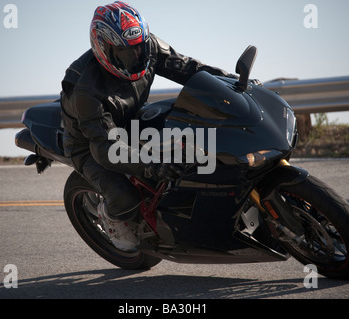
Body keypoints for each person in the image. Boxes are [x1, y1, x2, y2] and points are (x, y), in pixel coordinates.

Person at [60, 1, 237, 252]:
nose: (135, 57)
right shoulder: (86, 90)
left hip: (131, 119)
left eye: (138, 49)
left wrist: (232, 82)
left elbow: (189, 68)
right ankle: (110, 217)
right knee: (126, 197)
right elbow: (105, 147)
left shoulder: (148, 47)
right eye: (124, 52)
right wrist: (153, 166)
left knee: (191, 141)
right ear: (103, 48)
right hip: (89, 144)